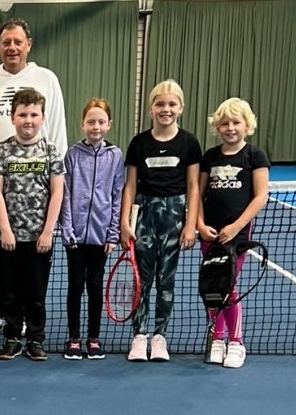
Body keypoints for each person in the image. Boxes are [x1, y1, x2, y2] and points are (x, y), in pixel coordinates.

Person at [121, 79, 202, 362]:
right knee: (141, 279)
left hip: (175, 216)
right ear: (151, 108)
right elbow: (130, 186)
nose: (165, 109)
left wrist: (191, 224)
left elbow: (193, 186)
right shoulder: (139, 143)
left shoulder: (190, 143)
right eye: (160, 104)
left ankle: (159, 336)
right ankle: (139, 335)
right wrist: (124, 222)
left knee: (166, 280)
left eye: (171, 104)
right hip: (144, 215)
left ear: (180, 107)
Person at [0, 88, 64, 361]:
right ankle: (11, 337)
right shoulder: (2, 151)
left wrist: (47, 231)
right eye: (22, 114)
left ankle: (35, 338)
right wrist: (5, 229)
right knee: (9, 291)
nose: (28, 120)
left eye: (34, 114)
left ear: (43, 117)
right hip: (8, 237)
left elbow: (57, 192)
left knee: (35, 292)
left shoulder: (51, 152)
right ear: (13, 118)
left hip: (39, 239)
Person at [197, 97, 269, 369]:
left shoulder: (254, 156)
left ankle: (236, 341)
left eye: (236, 122)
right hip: (209, 235)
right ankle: (216, 337)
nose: (230, 128)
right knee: (212, 286)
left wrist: (236, 227)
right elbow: (198, 194)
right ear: (217, 126)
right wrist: (201, 226)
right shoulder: (210, 157)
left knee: (228, 286)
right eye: (224, 123)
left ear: (247, 125)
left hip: (236, 237)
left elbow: (260, 196)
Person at [59, 99, 125, 361]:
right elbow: (65, 194)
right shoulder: (72, 155)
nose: (95, 126)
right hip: (75, 237)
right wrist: (67, 228)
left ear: (108, 125)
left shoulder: (115, 156)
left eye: (101, 121)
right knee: (75, 285)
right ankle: (74, 338)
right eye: (91, 121)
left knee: (95, 286)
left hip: (101, 237)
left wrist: (112, 233)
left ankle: (93, 338)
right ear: (82, 124)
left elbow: (118, 195)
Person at [0, 18, 67, 156]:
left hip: (37, 172)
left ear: (28, 44)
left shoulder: (47, 79)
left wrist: (57, 170)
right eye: (6, 43)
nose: (12, 48)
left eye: (18, 42)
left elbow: (58, 130)